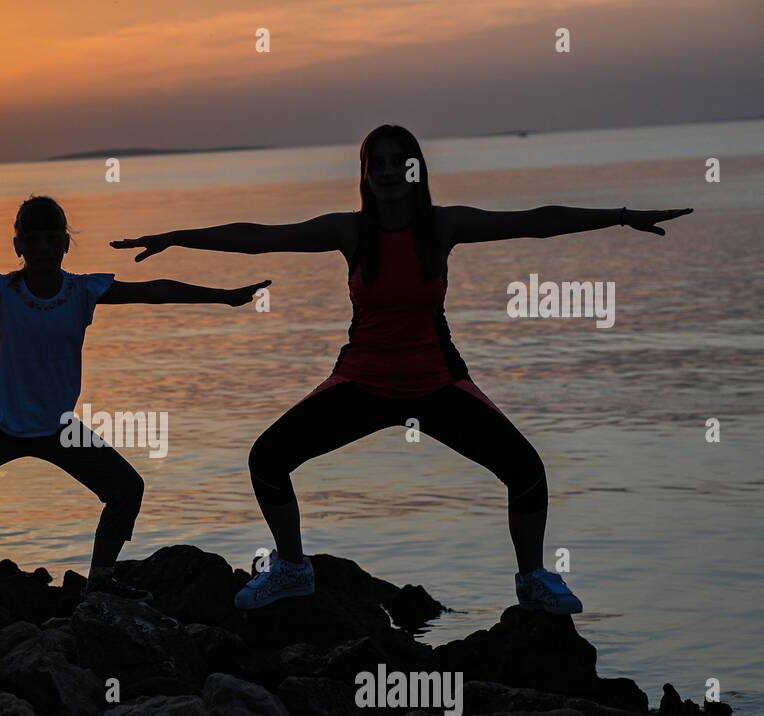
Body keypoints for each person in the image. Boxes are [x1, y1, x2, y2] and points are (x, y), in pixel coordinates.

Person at [113, 125, 692, 614]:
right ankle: (293, 568)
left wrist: (619, 217)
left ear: (416, 170)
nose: (389, 171)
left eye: (399, 162)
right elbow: (261, 238)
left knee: (526, 471)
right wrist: (177, 237)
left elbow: (534, 221)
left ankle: (532, 581)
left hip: (436, 382)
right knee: (267, 458)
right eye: (378, 163)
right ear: (365, 174)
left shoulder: (442, 227)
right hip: (362, 383)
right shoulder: (350, 231)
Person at [0, 195, 270, 607]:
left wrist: (222, 297)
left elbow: (154, 289)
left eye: (51, 239)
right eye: (32, 239)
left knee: (125, 488)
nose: (42, 248)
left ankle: (100, 580)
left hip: (59, 428)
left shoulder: (82, 292)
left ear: (65, 243)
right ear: (18, 244)